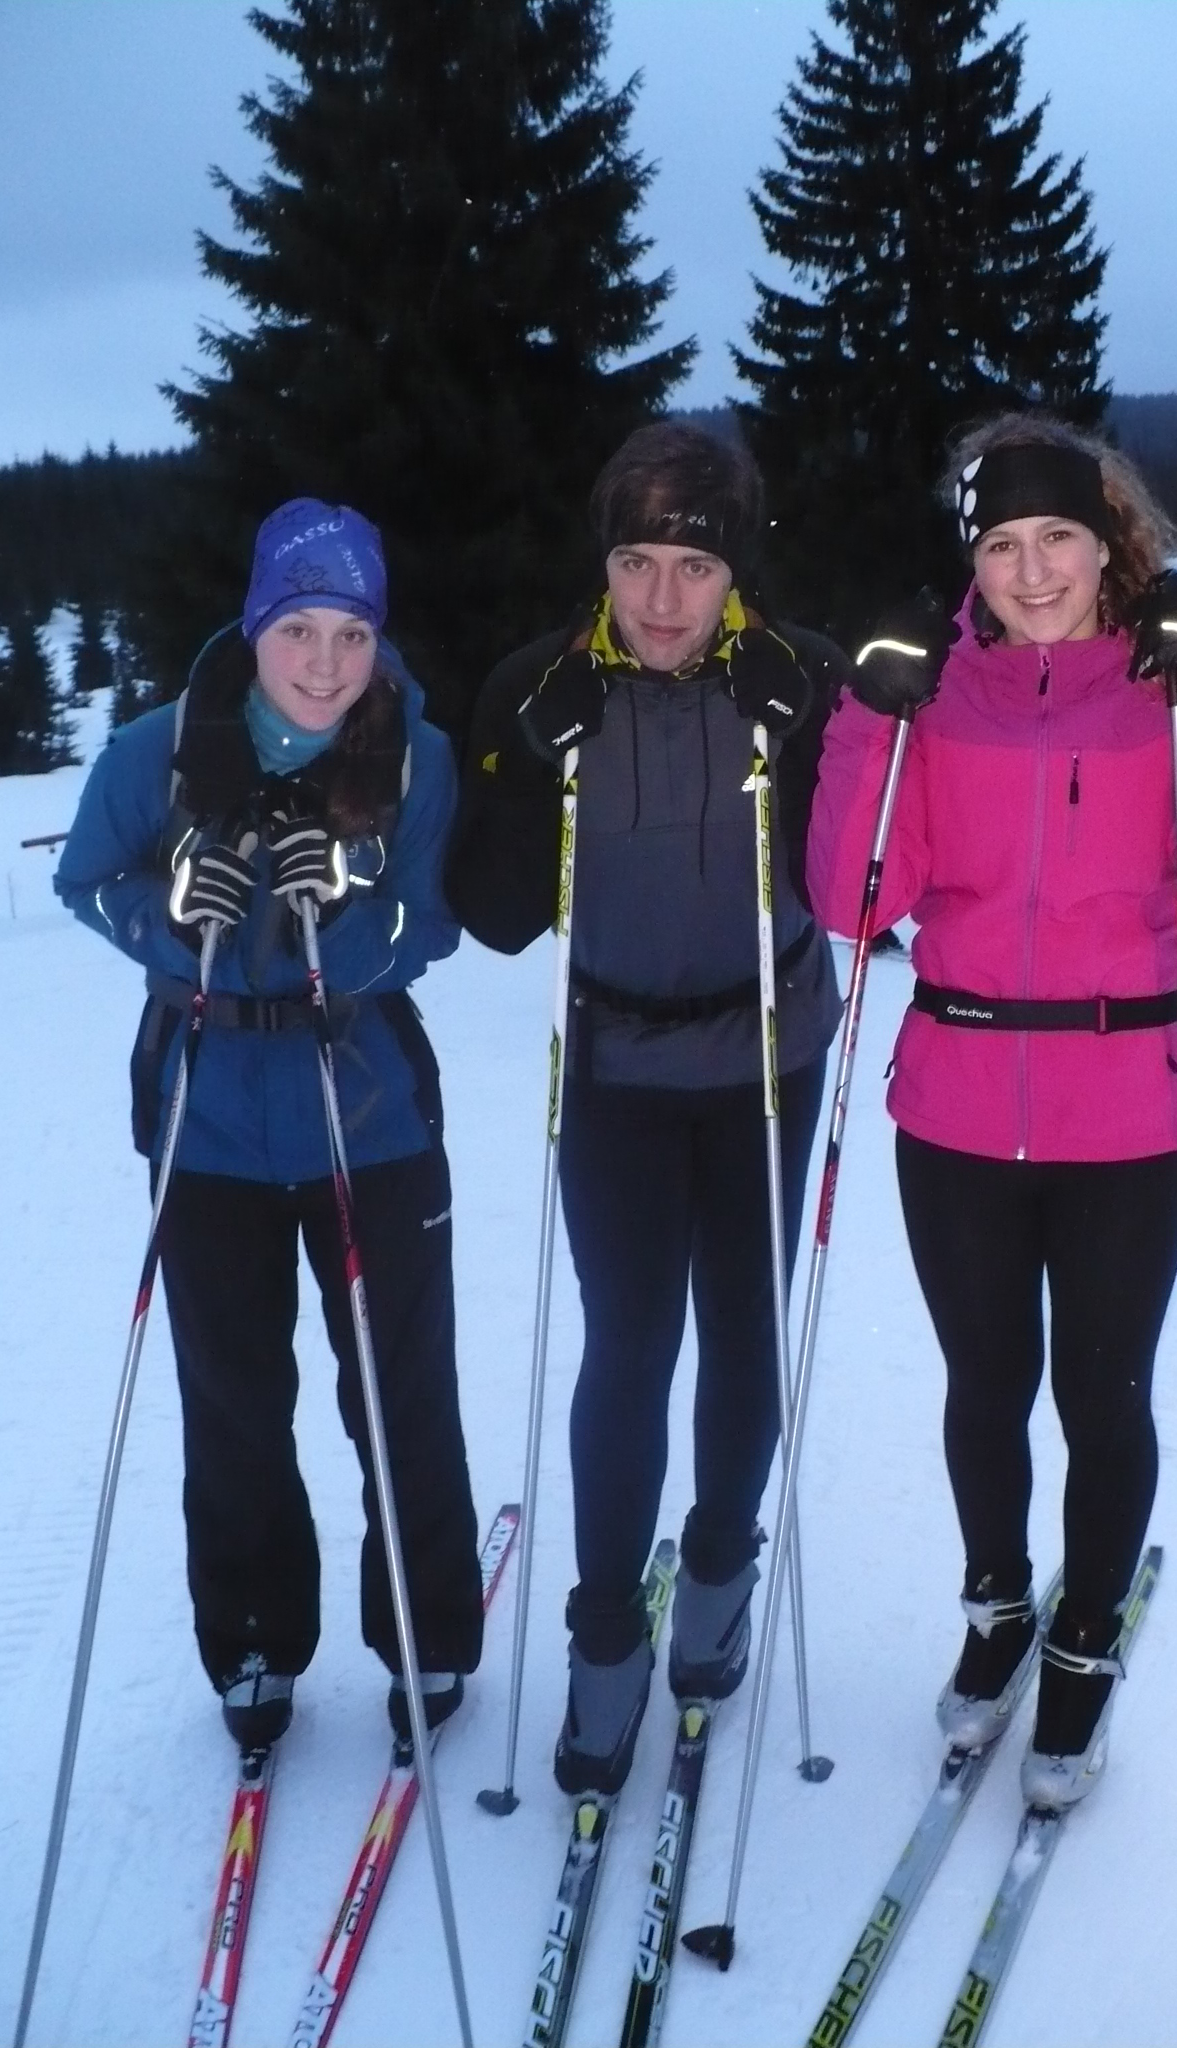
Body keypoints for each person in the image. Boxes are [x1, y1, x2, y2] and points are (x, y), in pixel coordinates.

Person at [807, 416, 1177, 1809]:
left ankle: (1083, 1648)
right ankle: (1001, 1606)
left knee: (1102, 1393)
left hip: (1123, 1112)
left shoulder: (1166, 682)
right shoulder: (937, 687)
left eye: (1057, 539)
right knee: (986, 1387)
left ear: (1106, 539)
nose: (1031, 572)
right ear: (973, 556)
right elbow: (853, 900)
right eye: (1003, 544)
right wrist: (869, 715)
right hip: (956, 1103)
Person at [444, 422, 848, 1795]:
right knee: (627, 1342)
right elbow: (499, 915)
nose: (663, 597)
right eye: (636, 561)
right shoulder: (538, 684)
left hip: (766, 1057)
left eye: (694, 564)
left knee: (743, 1326)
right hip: (616, 1065)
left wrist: (834, 730)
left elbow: (858, 884)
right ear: (603, 562)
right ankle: (606, 1633)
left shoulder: (798, 679)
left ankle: (720, 1566)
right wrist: (519, 769)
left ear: (737, 570)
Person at [55, 499, 484, 1752]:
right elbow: (88, 879)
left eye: (351, 633)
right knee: (234, 1397)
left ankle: (426, 1631)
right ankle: (252, 1636)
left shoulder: (413, 757)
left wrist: (349, 921)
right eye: (299, 628)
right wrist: (170, 912)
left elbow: (431, 921)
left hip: (368, 1112)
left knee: (399, 1391)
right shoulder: (158, 751)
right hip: (209, 1122)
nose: (325, 663)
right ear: (255, 627)